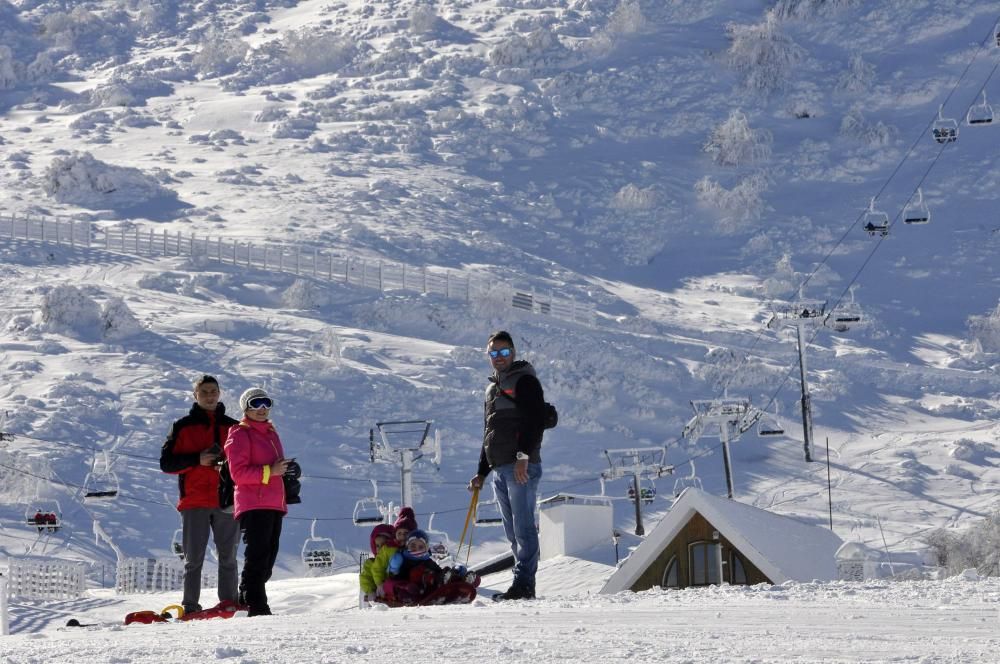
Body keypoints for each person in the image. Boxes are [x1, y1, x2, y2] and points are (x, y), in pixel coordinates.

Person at [468, 330, 546, 601]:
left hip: (520, 466)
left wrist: (523, 458)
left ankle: (524, 585)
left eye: (503, 352)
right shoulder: (492, 389)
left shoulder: (525, 381)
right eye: (493, 353)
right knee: (512, 530)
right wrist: (481, 472)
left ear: (513, 352)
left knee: (523, 527)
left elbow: (534, 421)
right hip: (500, 467)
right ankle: (521, 584)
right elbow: (489, 433)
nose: (498, 357)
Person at [160, 375, 240, 615]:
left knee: (229, 557)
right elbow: (167, 463)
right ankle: (190, 606)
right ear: (195, 395)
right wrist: (198, 459)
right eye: (204, 391)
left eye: (213, 391)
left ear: (219, 393)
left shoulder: (234, 427)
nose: (209, 395)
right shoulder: (182, 426)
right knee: (193, 559)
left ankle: (229, 603)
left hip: (226, 500)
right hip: (194, 500)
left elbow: (244, 463)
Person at [225, 387, 291, 617]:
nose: (262, 408)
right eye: (256, 403)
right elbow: (238, 473)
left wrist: (285, 470)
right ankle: (257, 605)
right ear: (245, 407)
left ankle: (246, 594)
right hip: (254, 501)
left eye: (266, 402)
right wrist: (269, 471)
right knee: (258, 554)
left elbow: (274, 467)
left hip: (274, 501)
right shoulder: (240, 433)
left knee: (269, 556)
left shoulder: (270, 432)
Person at [384, 529, 443, 604]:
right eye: (413, 545)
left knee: (436, 575)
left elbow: (438, 571)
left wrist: (442, 574)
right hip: (409, 589)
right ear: (407, 546)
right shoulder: (404, 559)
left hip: (429, 588)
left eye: (421, 547)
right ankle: (412, 597)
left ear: (426, 548)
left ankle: (451, 580)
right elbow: (396, 577)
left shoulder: (427, 561)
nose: (416, 549)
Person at [359, 523, 397, 602]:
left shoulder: (396, 559)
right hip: (379, 595)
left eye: (383, 545)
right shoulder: (371, 563)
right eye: (377, 545)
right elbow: (365, 578)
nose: (380, 549)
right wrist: (371, 591)